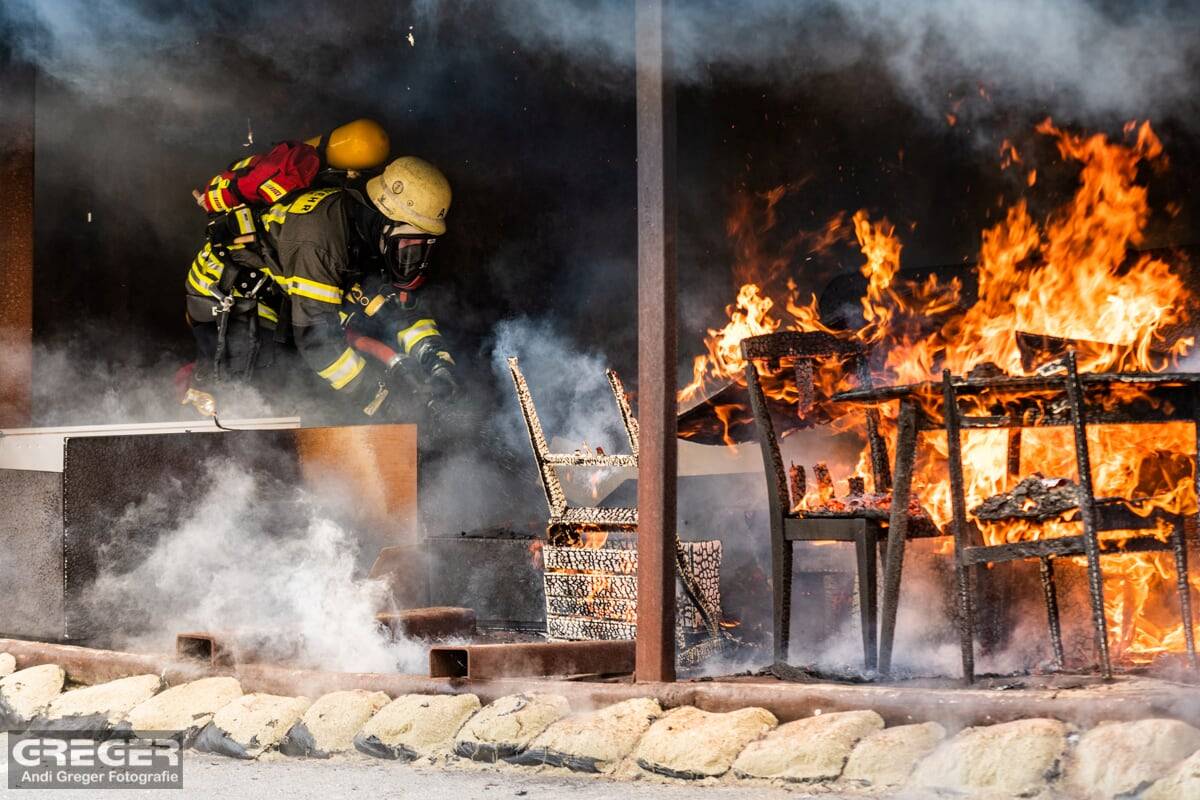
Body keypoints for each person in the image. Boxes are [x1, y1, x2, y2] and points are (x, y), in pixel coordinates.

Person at [182, 125, 459, 418]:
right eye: (410, 244)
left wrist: (439, 364)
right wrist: (382, 398)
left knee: (311, 390)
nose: (414, 257)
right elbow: (316, 340)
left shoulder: (370, 229)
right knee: (258, 399)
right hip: (232, 292)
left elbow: (399, 311)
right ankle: (201, 400)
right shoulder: (321, 235)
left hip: (285, 293)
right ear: (386, 217)